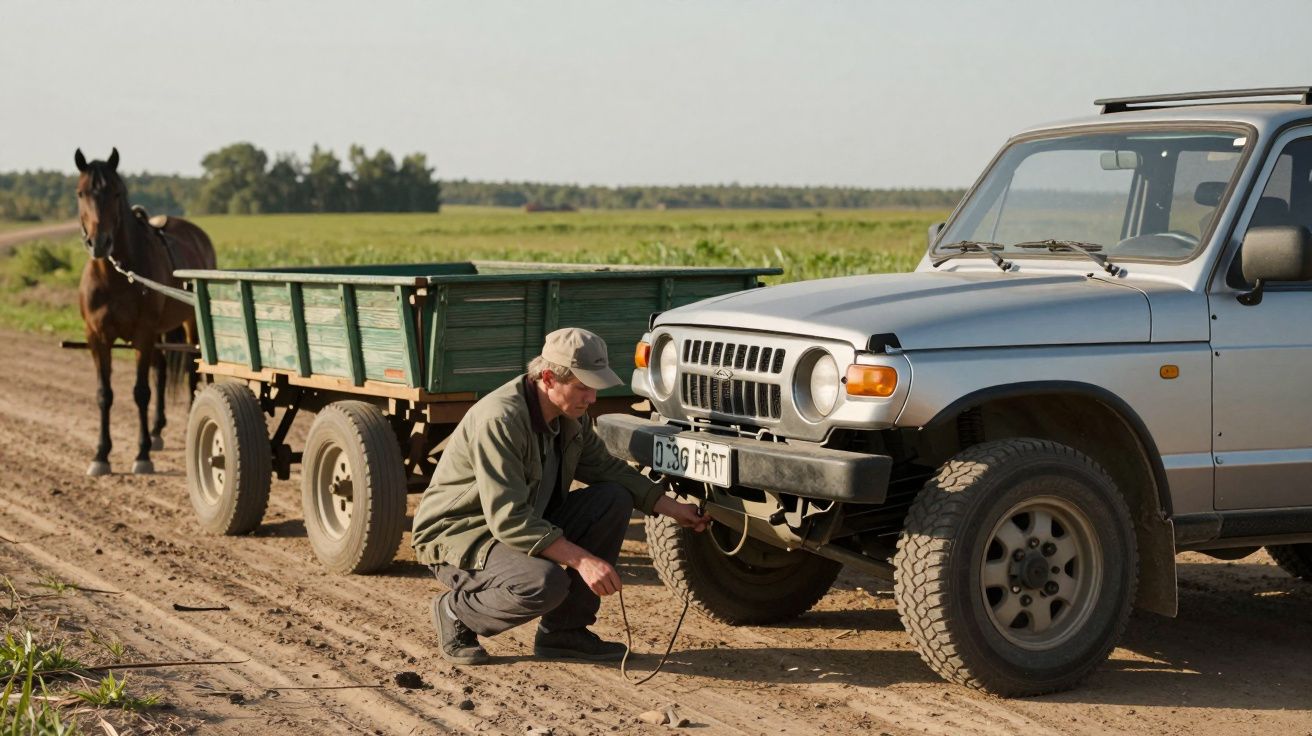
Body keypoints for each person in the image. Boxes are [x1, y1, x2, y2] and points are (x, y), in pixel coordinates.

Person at [411, 327, 707, 664]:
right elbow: (509, 518)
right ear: (549, 378)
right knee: (544, 583)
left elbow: (607, 469)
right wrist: (582, 560)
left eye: (594, 389)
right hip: (463, 536)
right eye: (582, 388)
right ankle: (457, 612)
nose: (591, 399)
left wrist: (672, 507)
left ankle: (565, 634)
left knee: (613, 497)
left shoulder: (570, 415)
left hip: (520, 522)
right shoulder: (501, 419)